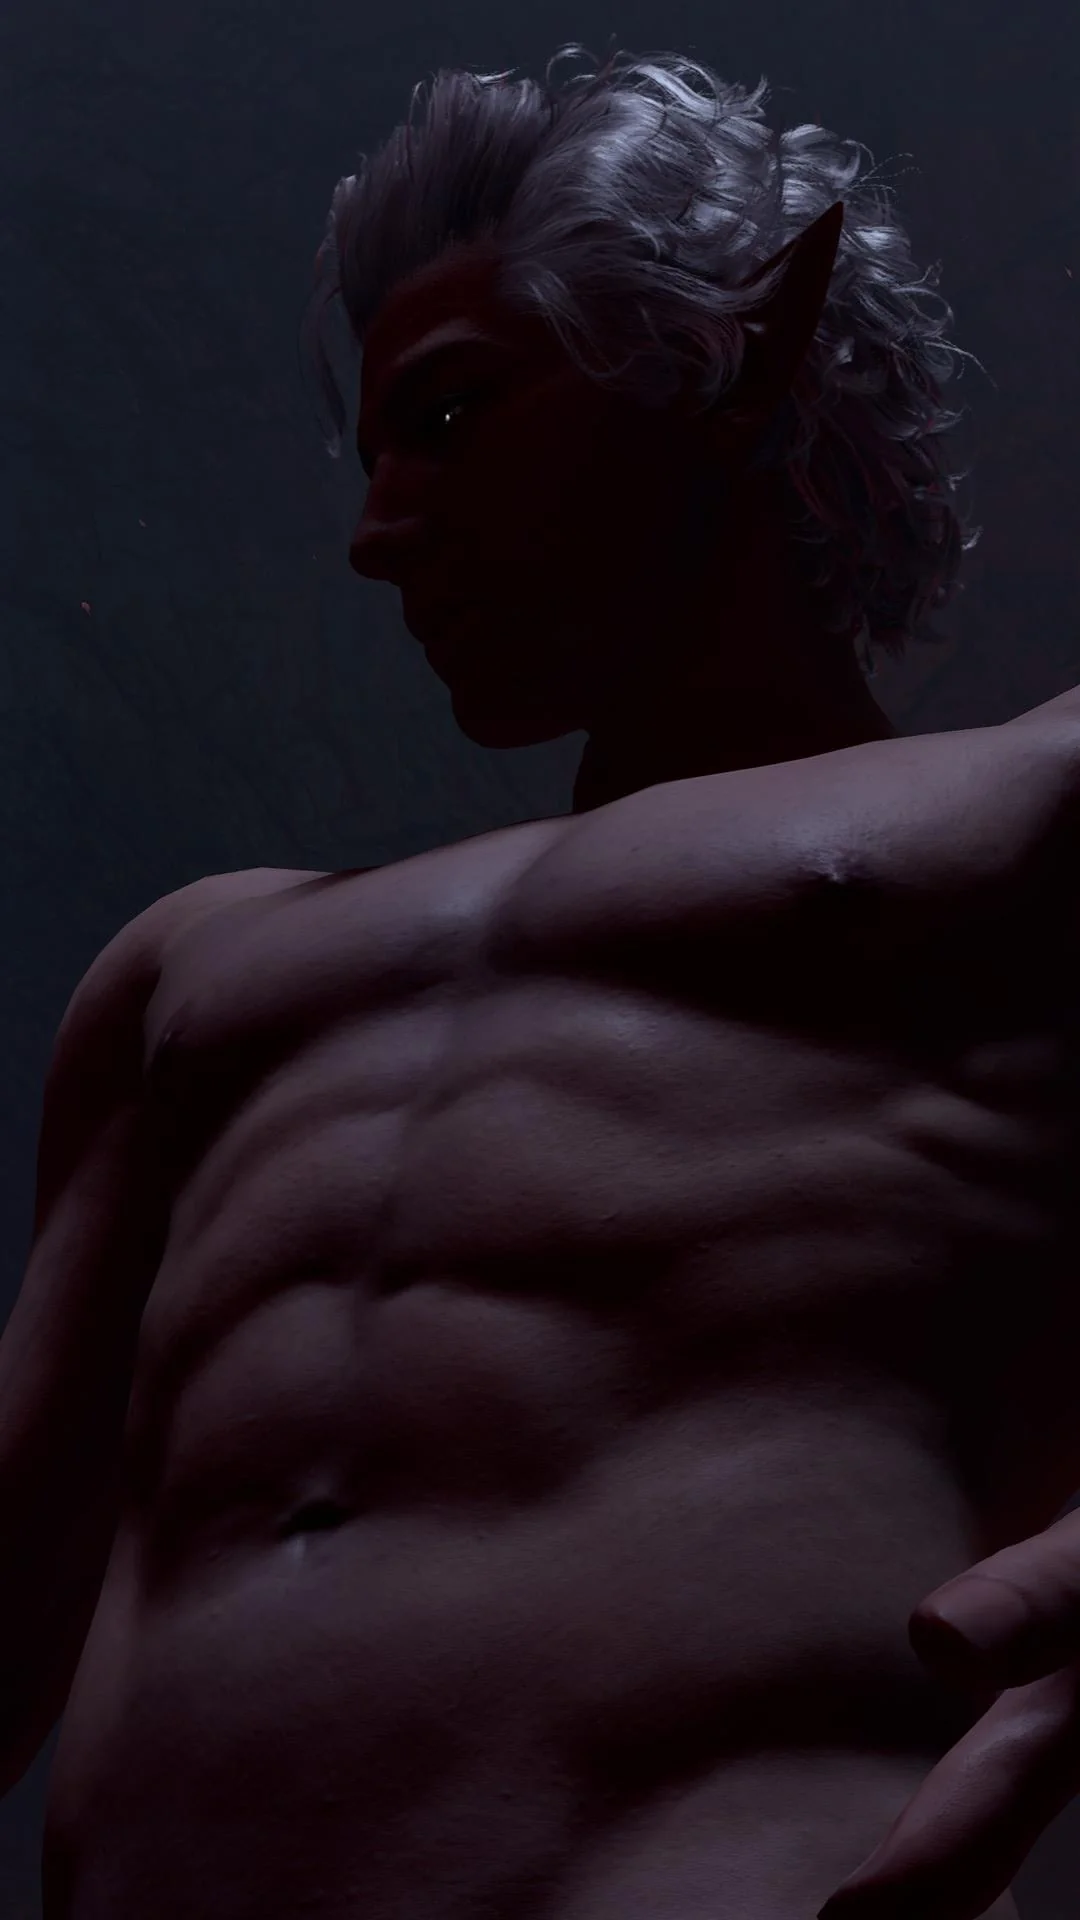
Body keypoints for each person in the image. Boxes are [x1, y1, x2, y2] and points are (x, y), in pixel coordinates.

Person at [5, 41, 1080, 1920]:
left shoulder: (1035, 807)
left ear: (739, 343)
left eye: (447, 416)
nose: (375, 537)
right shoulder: (189, 960)